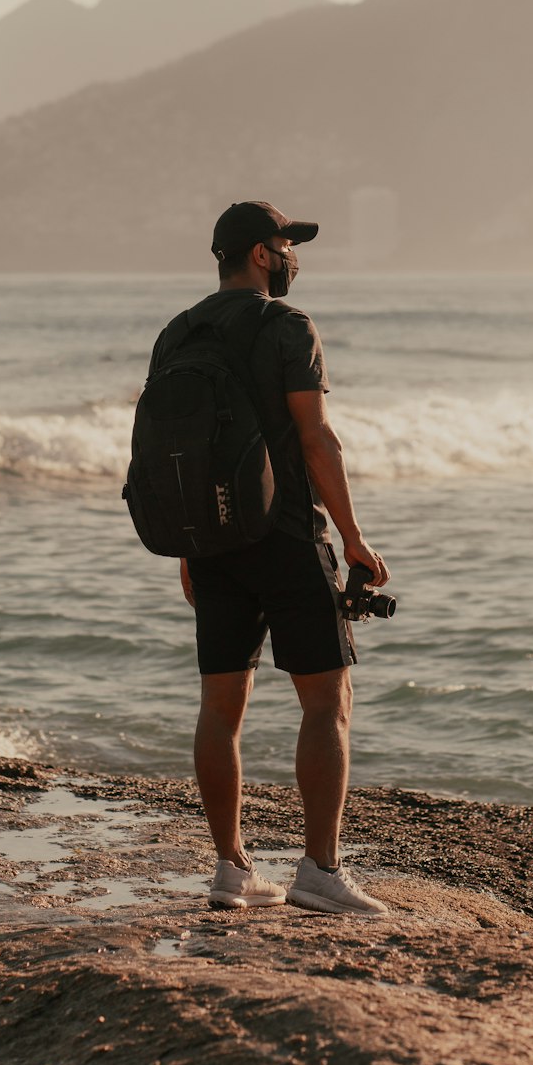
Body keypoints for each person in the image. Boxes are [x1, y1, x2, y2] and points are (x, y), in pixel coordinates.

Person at [146, 200, 391, 916]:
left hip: (212, 544)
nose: (293, 257)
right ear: (259, 253)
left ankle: (231, 870)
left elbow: (172, 454)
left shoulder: (176, 332)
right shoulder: (288, 327)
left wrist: (187, 547)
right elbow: (317, 439)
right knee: (327, 701)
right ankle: (319, 872)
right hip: (285, 535)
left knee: (220, 708)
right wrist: (352, 536)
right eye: (286, 244)